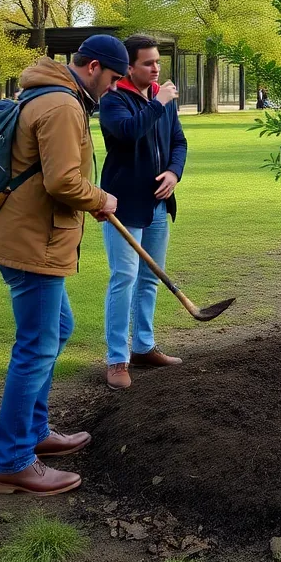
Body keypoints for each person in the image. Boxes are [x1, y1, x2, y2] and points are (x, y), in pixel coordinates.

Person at [0, 34, 125, 496]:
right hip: (34, 243)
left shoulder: (44, 93)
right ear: (94, 67)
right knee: (37, 346)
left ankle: (36, 434)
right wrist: (101, 197)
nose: (113, 87)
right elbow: (64, 181)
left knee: (57, 329)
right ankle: (15, 461)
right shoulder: (62, 105)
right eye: (113, 77)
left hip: (27, 237)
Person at [98, 35, 188, 390]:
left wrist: (174, 173)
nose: (155, 69)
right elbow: (128, 133)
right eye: (148, 63)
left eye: (158, 63)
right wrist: (160, 101)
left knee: (151, 277)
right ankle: (117, 359)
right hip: (123, 205)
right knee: (124, 278)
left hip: (158, 204)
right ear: (129, 67)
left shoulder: (160, 98)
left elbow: (178, 141)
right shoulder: (113, 100)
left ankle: (144, 346)